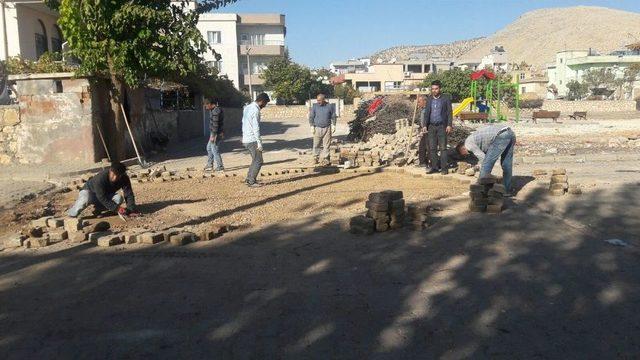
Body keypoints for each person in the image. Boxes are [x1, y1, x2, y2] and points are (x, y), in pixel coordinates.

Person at [456, 124, 516, 195]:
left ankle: (479, 190)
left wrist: (476, 169)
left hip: (501, 136)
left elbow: (484, 159)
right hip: (510, 133)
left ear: (462, 149)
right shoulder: (474, 140)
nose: (466, 155)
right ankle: (507, 190)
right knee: (506, 164)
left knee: (486, 163)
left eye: (464, 154)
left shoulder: (468, 144)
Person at [67, 162, 139, 218]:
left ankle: (98, 210)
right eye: (113, 174)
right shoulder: (101, 178)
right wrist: (117, 208)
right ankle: (71, 214)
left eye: (118, 176)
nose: (115, 178)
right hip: (89, 192)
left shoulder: (124, 178)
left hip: (104, 194)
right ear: (110, 170)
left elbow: (128, 193)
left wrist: (131, 210)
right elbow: (101, 197)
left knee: (118, 198)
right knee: (86, 197)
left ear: (122, 174)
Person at [421, 80, 453, 175]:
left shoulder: (445, 98)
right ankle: (434, 167)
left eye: (436, 89)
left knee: (443, 148)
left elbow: (449, 113)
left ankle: (444, 169)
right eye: (433, 89)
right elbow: (427, 113)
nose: (434, 90)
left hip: (442, 127)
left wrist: (449, 125)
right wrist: (424, 125)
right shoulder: (429, 99)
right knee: (432, 148)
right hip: (431, 127)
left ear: (440, 89)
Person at [242, 92, 270, 188]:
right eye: (265, 103)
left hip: (246, 138)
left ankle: (249, 179)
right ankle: (251, 181)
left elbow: (244, 122)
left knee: (255, 160)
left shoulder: (247, 107)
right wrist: (259, 142)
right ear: (261, 101)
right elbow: (256, 128)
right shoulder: (255, 110)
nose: (265, 106)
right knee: (259, 161)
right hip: (252, 139)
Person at [308, 93, 337, 166]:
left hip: (327, 128)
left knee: (326, 145)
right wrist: (311, 126)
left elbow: (333, 116)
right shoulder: (314, 107)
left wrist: (334, 125)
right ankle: (315, 158)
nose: (318, 102)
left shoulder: (329, 106)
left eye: (320, 100)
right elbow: (311, 116)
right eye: (317, 100)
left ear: (324, 100)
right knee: (316, 144)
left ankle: (326, 159)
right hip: (317, 128)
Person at [204, 98, 225, 172]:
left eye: (206, 105)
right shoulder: (215, 110)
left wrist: (213, 135)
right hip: (216, 132)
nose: (205, 107)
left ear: (210, 104)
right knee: (209, 148)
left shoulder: (215, 111)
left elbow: (215, 125)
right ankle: (210, 164)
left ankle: (220, 166)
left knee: (214, 149)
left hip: (215, 133)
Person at [416, 95, 428, 167]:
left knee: (425, 147)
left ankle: (426, 163)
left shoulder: (427, 110)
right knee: (422, 146)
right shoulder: (423, 109)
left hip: (428, 131)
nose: (418, 103)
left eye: (419, 102)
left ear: (424, 101)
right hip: (425, 130)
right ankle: (423, 162)